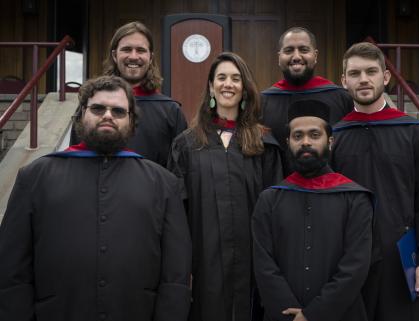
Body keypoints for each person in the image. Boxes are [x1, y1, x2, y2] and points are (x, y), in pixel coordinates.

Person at [0, 76, 191, 321]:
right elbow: (11, 269)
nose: (108, 115)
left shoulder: (164, 184)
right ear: (81, 115)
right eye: (98, 108)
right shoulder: (34, 178)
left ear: (132, 122)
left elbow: (176, 275)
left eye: (119, 111)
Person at [331, 42, 419, 321]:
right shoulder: (334, 138)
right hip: (348, 260)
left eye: (371, 71)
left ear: (386, 76)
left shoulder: (414, 132)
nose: (364, 79)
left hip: (401, 260)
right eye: (355, 73)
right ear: (344, 81)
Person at [168, 52, 283, 321]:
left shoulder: (265, 144)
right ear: (210, 86)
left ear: (244, 88)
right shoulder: (186, 145)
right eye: (221, 78)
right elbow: (176, 213)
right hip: (203, 263)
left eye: (235, 78)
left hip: (253, 263)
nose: (228, 84)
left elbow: (276, 211)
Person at [253, 99, 373, 321]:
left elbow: (355, 267)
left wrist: (313, 315)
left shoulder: (355, 198)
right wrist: (289, 313)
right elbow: (264, 264)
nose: (305, 142)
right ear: (287, 142)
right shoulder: (269, 200)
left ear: (330, 141)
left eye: (314, 135)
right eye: (298, 136)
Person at [71, 21, 187, 166]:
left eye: (140, 50)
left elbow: (180, 169)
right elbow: (75, 160)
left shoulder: (171, 111)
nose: (133, 56)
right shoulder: (91, 107)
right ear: (114, 55)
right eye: (126, 49)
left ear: (150, 57)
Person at [261, 27, 354, 176]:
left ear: (315, 55)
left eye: (304, 50)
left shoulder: (341, 98)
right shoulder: (263, 102)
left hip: (331, 192)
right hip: (279, 193)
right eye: (289, 50)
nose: (296, 56)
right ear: (279, 57)